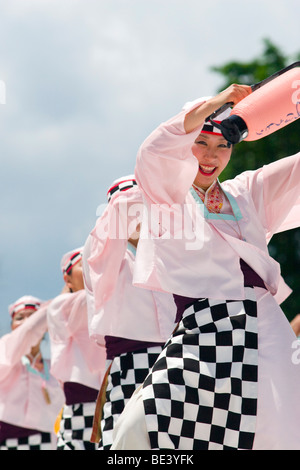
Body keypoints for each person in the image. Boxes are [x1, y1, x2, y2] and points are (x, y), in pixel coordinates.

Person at [111, 85, 300, 450]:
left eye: (222, 146)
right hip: (203, 325)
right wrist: (214, 104)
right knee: (143, 426)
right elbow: (154, 149)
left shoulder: (246, 193)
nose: (211, 156)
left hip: (265, 323)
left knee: (284, 423)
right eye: (201, 143)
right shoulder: (167, 196)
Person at [82, 175, 177, 449]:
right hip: (130, 363)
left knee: (171, 444)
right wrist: (154, 180)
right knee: (125, 445)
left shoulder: (168, 252)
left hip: (171, 360)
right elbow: (117, 217)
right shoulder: (99, 254)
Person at [47, 248, 106, 450]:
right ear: (67, 279)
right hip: (79, 418)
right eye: (84, 263)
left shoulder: (108, 302)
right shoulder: (59, 307)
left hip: (111, 407)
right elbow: (87, 300)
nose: (91, 266)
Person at [0, 295, 65, 450]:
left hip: (48, 443)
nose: (27, 323)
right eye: (20, 318)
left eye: (32, 317)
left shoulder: (56, 367)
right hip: (7, 442)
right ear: (12, 326)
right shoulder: (4, 356)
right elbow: (29, 331)